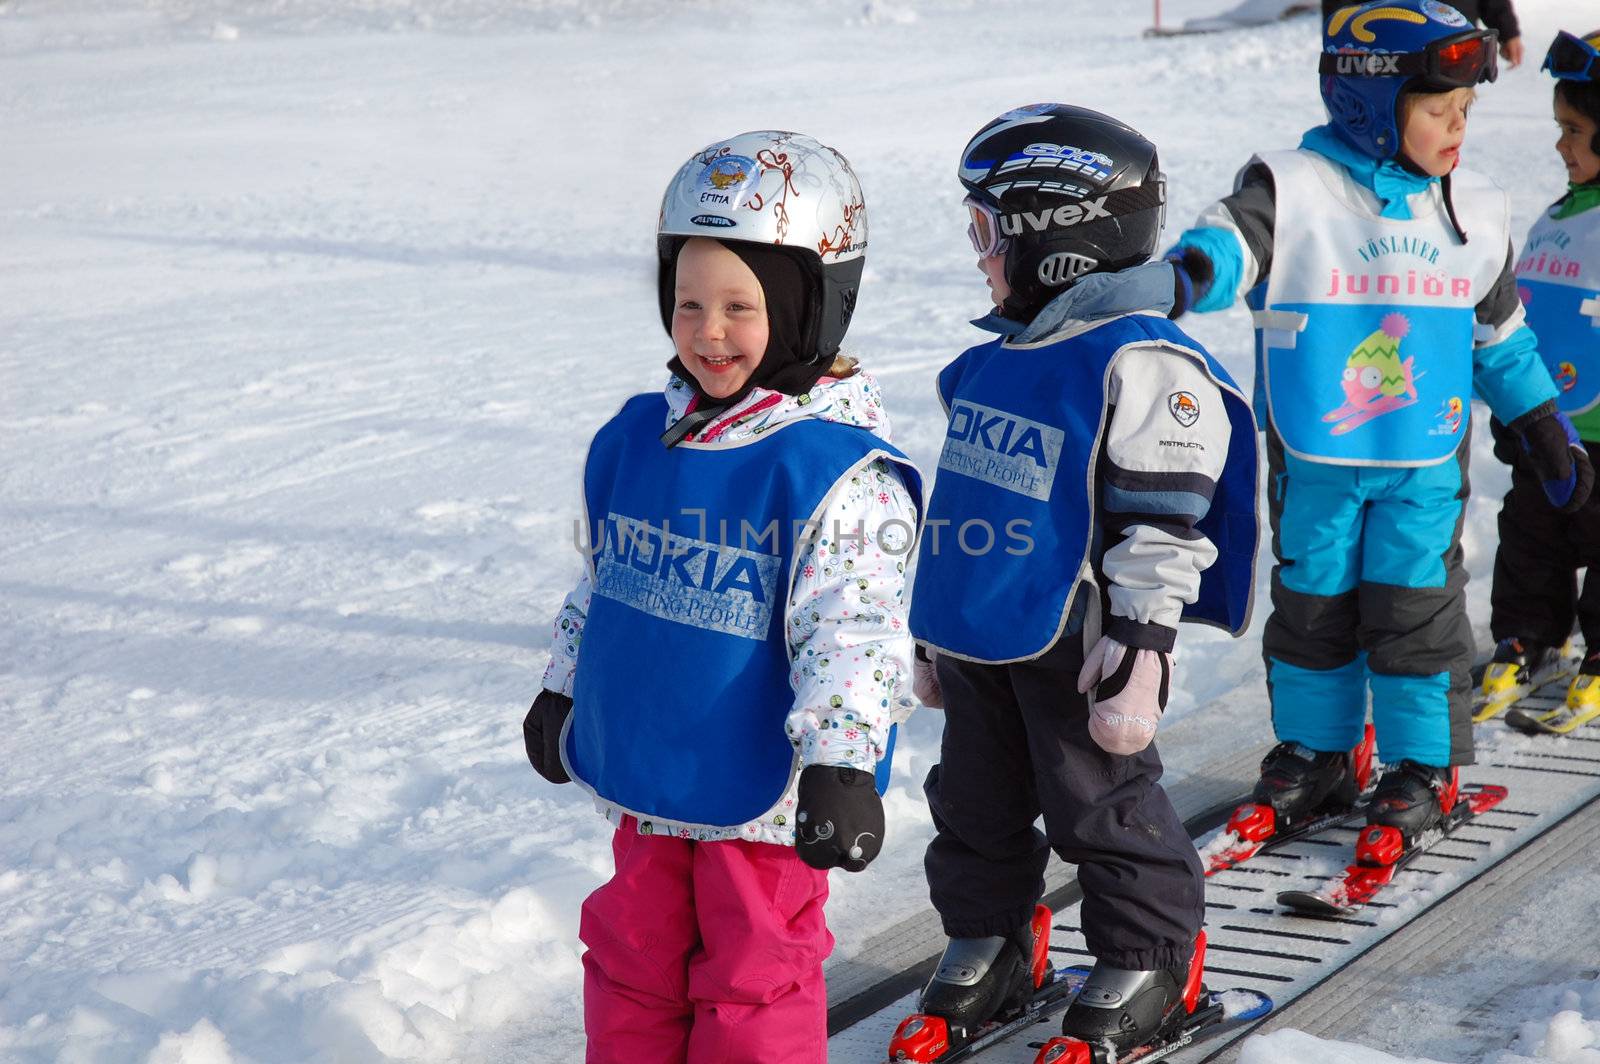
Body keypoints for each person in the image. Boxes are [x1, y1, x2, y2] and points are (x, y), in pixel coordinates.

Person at [522, 130, 921, 1064]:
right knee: (632, 959)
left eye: (741, 307)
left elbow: (855, 633)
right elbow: (606, 586)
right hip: (654, 774)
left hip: (767, 802)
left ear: (811, 308)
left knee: (751, 979)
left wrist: (843, 763)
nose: (708, 331)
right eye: (688, 302)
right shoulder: (645, 438)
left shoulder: (834, 475)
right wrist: (563, 684)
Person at [1165, 0, 1591, 846]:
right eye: (1439, 110)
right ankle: (1317, 752)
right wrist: (1192, 272)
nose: (1457, 128)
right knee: (1313, 603)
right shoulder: (1294, 187)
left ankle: (1423, 763)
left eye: (1466, 110)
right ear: (1368, 100)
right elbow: (1233, 243)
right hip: (1315, 455)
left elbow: (1499, 337)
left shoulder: (1467, 206)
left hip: (1421, 461)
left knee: (1416, 608)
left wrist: (1543, 423)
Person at [904, 104, 1260, 1059]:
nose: (977, 254)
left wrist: (1141, 647)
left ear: (1055, 243)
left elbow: (1164, 521)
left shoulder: (1139, 362)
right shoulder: (998, 359)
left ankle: (1153, 955)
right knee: (971, 803)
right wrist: (933, 633)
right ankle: (996, 941)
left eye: (988, 232)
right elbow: (963, 510)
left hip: (1080, 641)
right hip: (986, 633)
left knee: (1098, 801)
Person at [1485, 30, 1600, 719]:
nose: (1562, 145)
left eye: (1577, 130)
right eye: (1561, 128)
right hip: (1547, 430)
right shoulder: (1556, 219)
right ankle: (1529, 638)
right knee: (1530, 539)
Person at [1319, 0, 1525, 67]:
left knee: (1448, 114)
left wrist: (1507, 30)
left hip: (1455, 45)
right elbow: (1339, 11)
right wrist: (1342, 38)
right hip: (1393, 52)